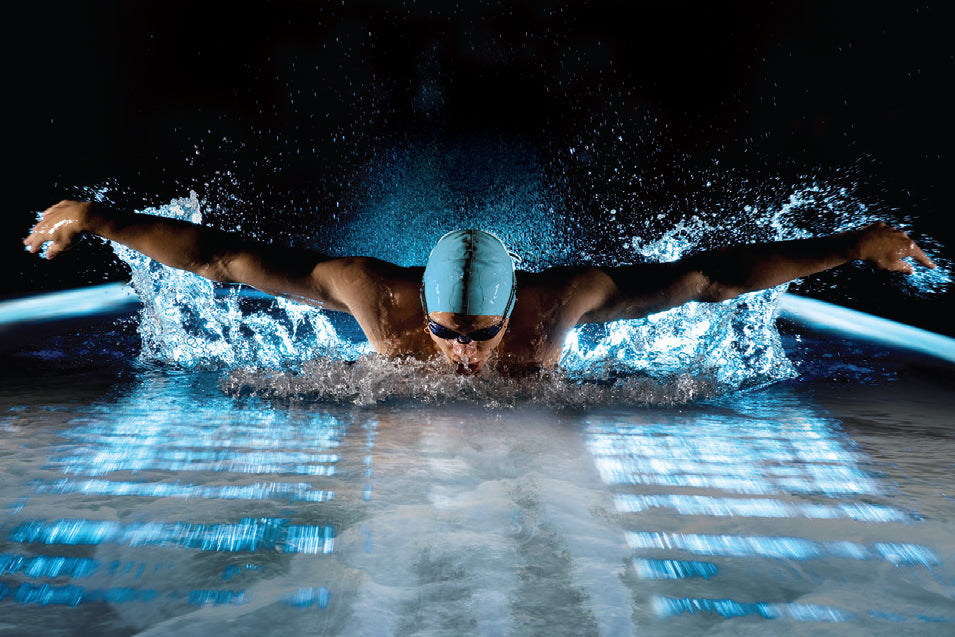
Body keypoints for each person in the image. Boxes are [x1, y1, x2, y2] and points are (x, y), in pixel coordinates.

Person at [24, 200, 936, 375]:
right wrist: (99, 219)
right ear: (416, 302)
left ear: (514, 309)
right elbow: (222, 258)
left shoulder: (558, 309)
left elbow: (706, 279)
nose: (459, 351)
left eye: (479, 333)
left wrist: (855, 244)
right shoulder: (371, 297)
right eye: (447, 329)